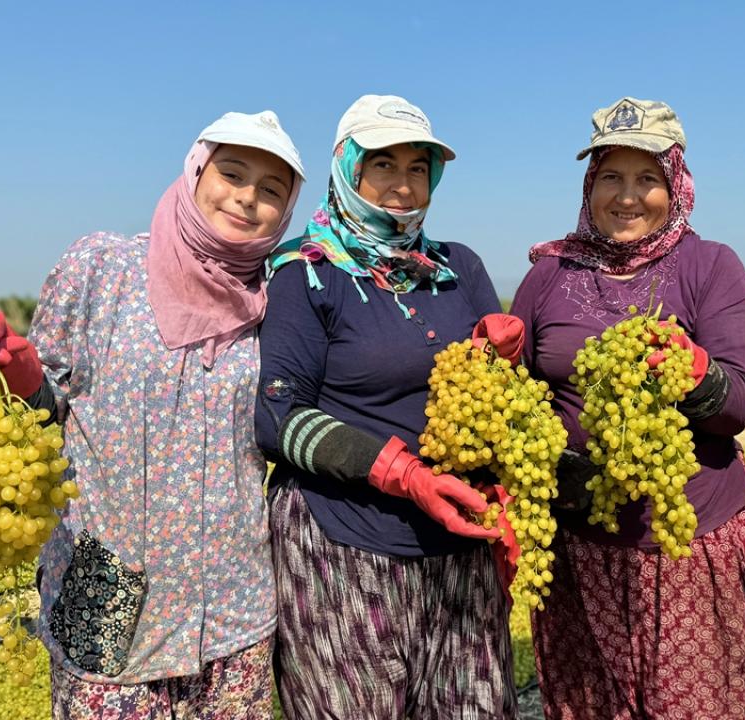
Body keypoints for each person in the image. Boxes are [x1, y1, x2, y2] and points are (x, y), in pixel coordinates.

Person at [0, 110, 306, 719]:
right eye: (232, 174)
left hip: (234, 605)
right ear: (196, 171)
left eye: (271, 189)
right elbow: (43, 405)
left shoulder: (278, 297)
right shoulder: (104, 268)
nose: (246, 197)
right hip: (106, 592)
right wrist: (3, 363)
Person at [510, 97, 745, 720]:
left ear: (676, 184)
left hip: (687, 543)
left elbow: (740, 402)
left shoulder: (711, 266)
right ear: (590, 185)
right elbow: (516, 387)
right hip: (578, 544)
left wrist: (696, 371)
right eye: (611, 176)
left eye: (647, 178)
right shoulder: (549, 273)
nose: (627, 196)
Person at [255, 94, 519, 720]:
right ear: (347, 168)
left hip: (457, 548)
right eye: (383, 164)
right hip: (343, 546)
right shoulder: (306, 272)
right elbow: (278, 417)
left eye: (418, 168)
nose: (403, 184)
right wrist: (404, 474)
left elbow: (495, 399)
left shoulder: (458, 268)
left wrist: (505, 362)